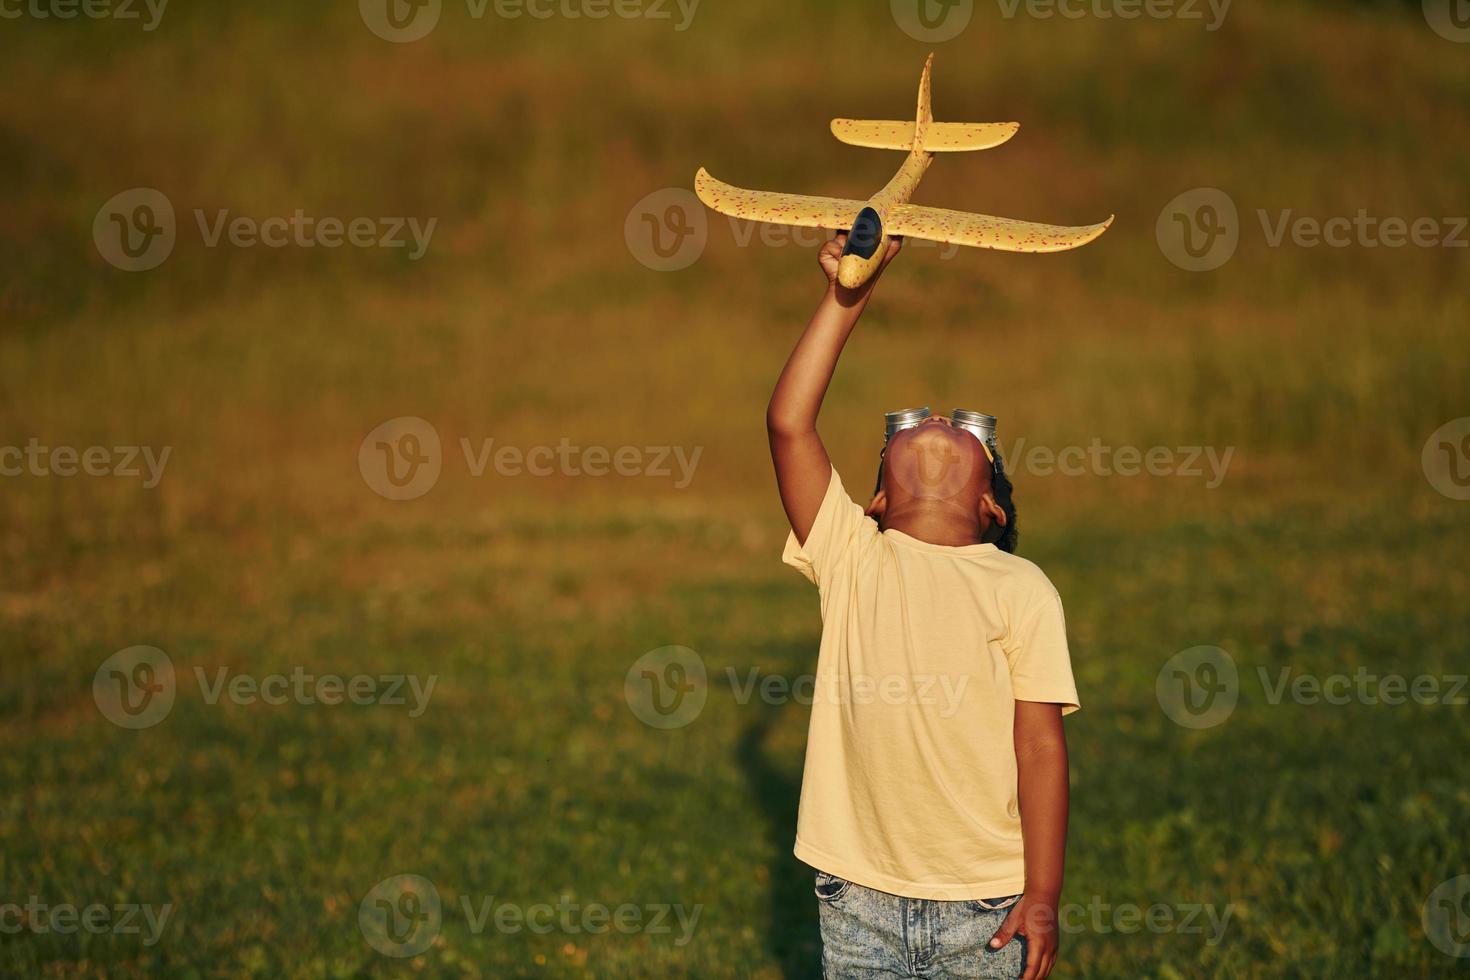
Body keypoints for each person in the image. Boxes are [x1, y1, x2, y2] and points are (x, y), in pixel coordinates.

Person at [768, 234, 1080, 980]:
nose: (935, 420)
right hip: (859, 902)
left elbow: (1040, 748)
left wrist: (1044, 891)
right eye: (905, 429)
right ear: (876, 498)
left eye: (968, 432)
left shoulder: (1021, 588)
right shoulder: (852, 554)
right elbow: (789, 424)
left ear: (991, 505)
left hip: (987, 908)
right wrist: (847, 298)